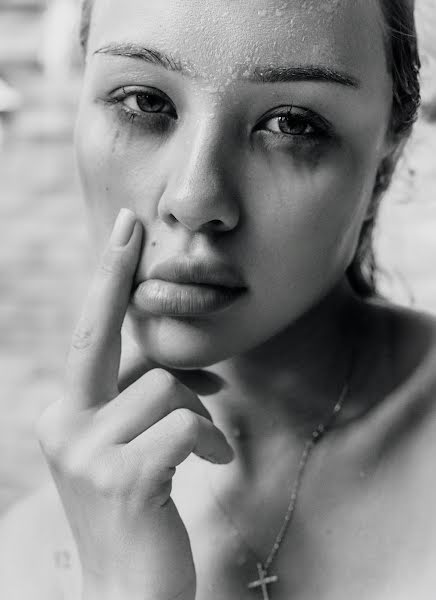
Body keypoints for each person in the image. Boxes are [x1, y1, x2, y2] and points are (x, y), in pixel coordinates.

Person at [1, 0, 436, 598]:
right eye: (144, 102)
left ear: (391, 143)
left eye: (291, 124)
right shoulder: (25, 557)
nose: (195, 197)